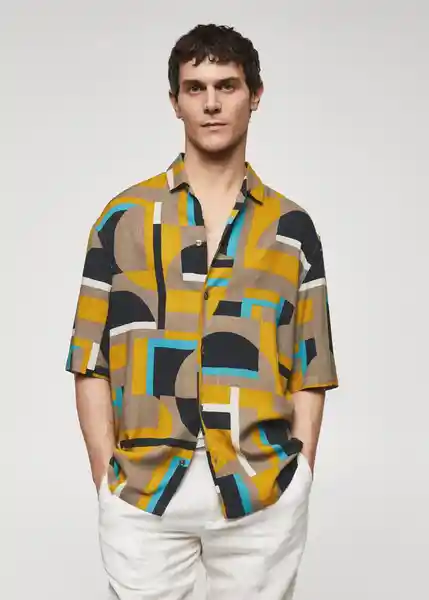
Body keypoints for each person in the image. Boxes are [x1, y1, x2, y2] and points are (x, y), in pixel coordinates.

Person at [66, 23, 339, 600]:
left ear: (254, 95)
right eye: (195, 88)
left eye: (227, 85)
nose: (211, 103)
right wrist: (104, 476)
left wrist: (301, 475)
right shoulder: (123, 219)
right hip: (143, 490)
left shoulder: (291, 229)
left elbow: (311, 366)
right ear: (176, 102)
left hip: (260, 488)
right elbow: (89, 360)